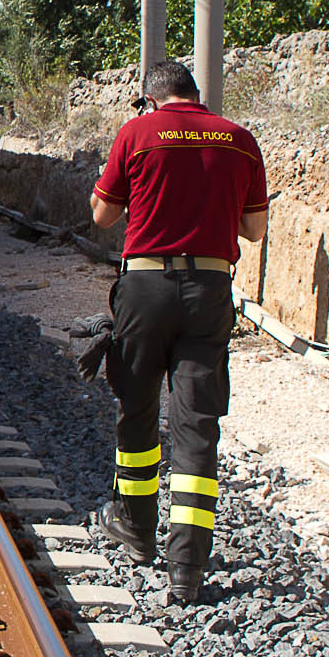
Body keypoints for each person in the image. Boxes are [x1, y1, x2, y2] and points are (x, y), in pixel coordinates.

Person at [88, 59, 267, 607]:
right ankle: (186, 568)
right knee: (196, 423)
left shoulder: (137, 133)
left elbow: (101, 215)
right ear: (196, 96)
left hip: (145, 289)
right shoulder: (239, 139)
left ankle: (138, 533)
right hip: (209, 291)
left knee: (138, 409)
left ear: (150, 99)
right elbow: (254, 229)